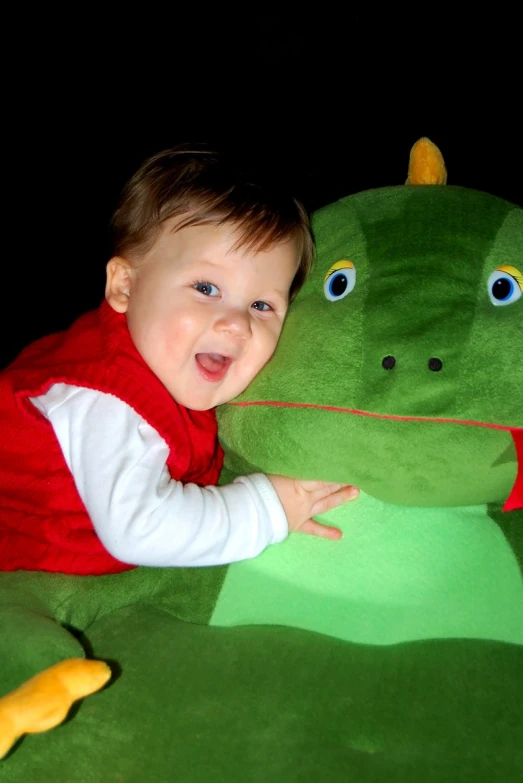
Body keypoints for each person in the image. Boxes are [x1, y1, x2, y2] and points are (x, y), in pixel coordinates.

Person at [0, 143, 358, 576]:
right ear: (125, 287)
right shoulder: (104, 394)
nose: (237, 325)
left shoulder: (169, 366)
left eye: (262, 306)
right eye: (206, 289)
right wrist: (268, 509)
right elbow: (139, 528)